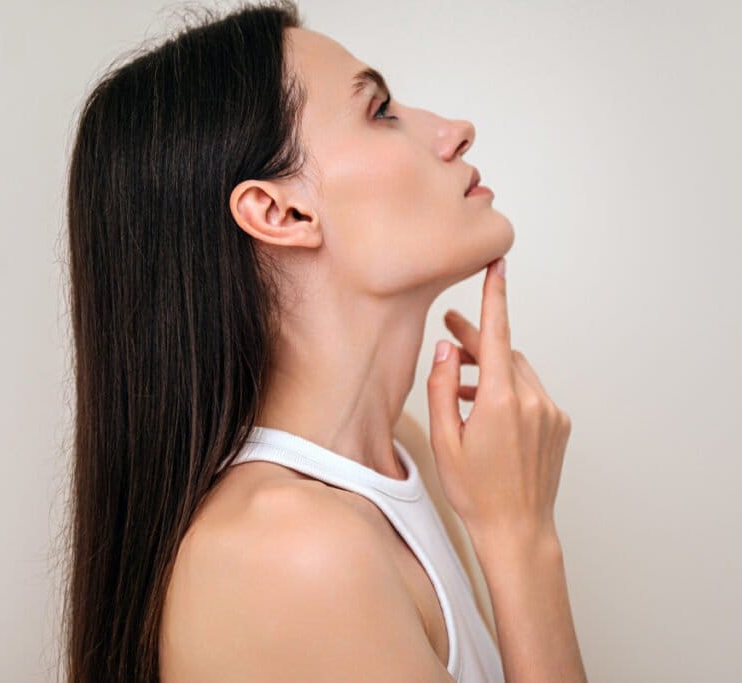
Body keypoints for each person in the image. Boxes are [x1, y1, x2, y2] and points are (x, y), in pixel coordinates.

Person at [62, 1, 586, 681]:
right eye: (381, 112)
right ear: (280, 211)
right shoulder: (288, 551)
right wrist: (523, 538)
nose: (456, 131)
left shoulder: (406, 454)